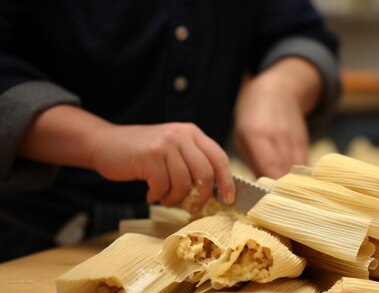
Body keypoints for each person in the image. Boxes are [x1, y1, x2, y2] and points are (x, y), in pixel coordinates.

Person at [0, 0, 341, 261]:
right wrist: (99, 141)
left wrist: (280, 86)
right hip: (35, 233)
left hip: (195, 230)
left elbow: (301, 35)